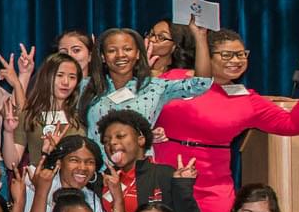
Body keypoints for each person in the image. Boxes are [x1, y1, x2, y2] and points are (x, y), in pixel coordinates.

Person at [155, 39, 299, 212]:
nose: (236, 61)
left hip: (212, 188)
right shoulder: (174, 79)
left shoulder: (246, 99)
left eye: (241, 54)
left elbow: (294, 124)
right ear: (206, 55)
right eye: (226, 55)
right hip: (163, 176)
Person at [79, 27, 211, 136]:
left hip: (140, 166)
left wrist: (200, 38)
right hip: (96, 166)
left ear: (137, 54)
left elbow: (201, 84)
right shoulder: (86, 86)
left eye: (127, 49)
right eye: (112, 51)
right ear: (103, 57)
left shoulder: (155, 86)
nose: (120, 55)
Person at [95, 109, 202, 212]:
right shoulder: (103, 180)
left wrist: (182, 186)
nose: (112, 143)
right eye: (106, 140)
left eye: (120, 136)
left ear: (141, 140)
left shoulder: (164, 174)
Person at [13, 135, 126, 212]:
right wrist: (42, 192)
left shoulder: (90, 198)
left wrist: (118, 200)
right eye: (74, 160)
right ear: (59, 163)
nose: (82, 168)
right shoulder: (38, 186)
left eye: (90, 162)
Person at [12, 50, 83, 167]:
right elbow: (12, 163)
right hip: (39, 180)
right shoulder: (28, 115)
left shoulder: (81, 114)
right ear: (46, 76)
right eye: (59, 75)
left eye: (72, 77)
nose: (66, 82)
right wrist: (8, 132)